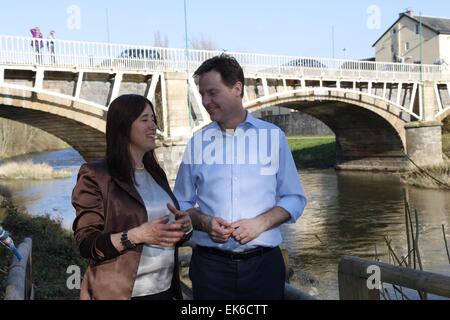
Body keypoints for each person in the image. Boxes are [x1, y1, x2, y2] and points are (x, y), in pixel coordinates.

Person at [174, 54, 307, 300]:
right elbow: (180, 206)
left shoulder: (273, 138)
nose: (205, 101)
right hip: (210, 269)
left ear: (237, 88)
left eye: (212, 93)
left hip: (264, 267)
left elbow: (295, 199)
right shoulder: (198, 143)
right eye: (202, 94)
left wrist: (261, 224)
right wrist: (205, 222)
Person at [72, 94, 193, 300]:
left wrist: (184, 226)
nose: (153, 126)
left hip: (164, 291)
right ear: (123, 126)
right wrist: (137, 235)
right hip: (121, 293)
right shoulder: (96, 175)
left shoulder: (156, 173)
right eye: (144, 120)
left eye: (153, 119)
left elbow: (165, 235)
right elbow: (86, 243)